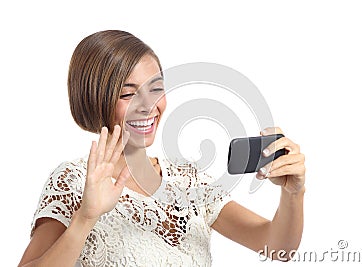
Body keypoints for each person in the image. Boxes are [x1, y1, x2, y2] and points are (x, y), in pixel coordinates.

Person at [18, 30, 306, 267]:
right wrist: (85, 219)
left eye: (156, 88)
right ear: (95, 98)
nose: (149, 106)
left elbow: (277, 247)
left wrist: (293, 194)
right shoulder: (73, 181)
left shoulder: (188, 179)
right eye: (128, 93)